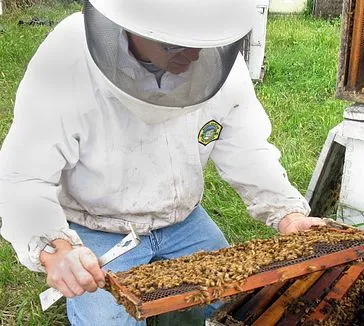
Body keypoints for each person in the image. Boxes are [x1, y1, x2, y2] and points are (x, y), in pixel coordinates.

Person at [0, 0, 325, 325]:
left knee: (244, 307)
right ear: (129, 23)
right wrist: (54, 248)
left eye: (203, 41)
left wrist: (288, 214)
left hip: (183, 221)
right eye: (174, 43)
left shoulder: (216, 59)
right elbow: (23, 175)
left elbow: (247, 149)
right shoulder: (65, 58)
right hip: (97, 224)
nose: (194, 53)